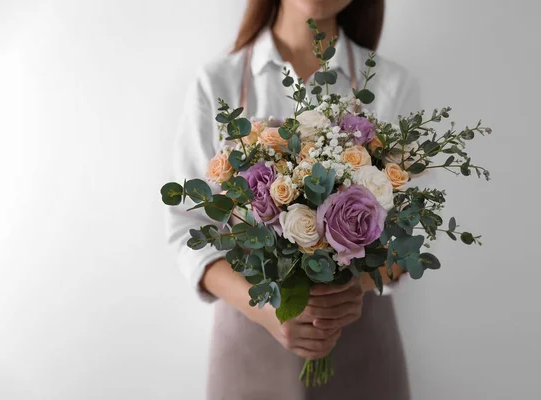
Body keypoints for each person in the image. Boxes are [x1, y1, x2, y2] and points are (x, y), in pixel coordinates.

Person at [165, 0, 420, 398]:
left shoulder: (389, 84)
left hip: (360, 345)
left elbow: (410, 234)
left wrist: (356, 289)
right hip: (248, 345)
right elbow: (187, 227)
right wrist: (263, 308)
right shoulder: (219, 83)